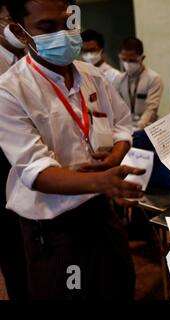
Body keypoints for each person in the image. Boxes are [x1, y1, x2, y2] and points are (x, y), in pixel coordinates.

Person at [0, 0, 146, 300]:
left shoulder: (92, 75)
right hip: (55, 229)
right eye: (47, 27)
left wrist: (115, 156)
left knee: (118, 286)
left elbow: (121, 124)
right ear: (20, 31)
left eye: (67, 22)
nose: (62, 34)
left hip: (102, 213)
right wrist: (101, 180)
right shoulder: (10, 90)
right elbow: (35, 170)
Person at [0, 0, 27, 301]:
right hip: (4, 176)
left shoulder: (30, 57)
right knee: (15, 258)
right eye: (10, 18)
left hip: (35, 176)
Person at [114, 36, 163, 129]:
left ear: (142, 58)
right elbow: (116, 107)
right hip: (125, 127)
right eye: (124, 60)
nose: (127, 63)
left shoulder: (154, 79)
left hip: (147, 128)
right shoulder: (118, 79)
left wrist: (139, 128)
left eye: (132, 60)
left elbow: (151, 109)